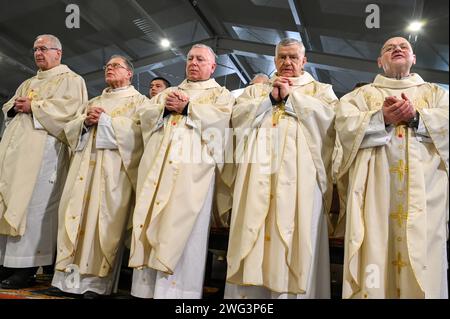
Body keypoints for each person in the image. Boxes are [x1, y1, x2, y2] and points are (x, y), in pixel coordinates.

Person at [336, 37, 449, 299]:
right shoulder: (362, 96)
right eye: (389, 48)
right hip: (375, 195)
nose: (397, 49)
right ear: (380, 61)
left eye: (404, 48)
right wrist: (381, 118)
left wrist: (418, 117)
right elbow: (343, 127)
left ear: (414, 59)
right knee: (376, 253)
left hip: (426, 195)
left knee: (425, 258)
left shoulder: (435, 93)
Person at [225, 38, 338, 298]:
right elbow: (238, 117)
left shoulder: (321, 90)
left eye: (293, 57)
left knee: (296, 234)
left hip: (301, 180)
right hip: (256, 176)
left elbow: (333, 123)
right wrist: (268, 100)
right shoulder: (255, 91)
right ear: (274, 60)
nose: (287, 62)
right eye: (282, 57)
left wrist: (292, 99)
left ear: (304, 61)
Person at [129, 44, 234, 299]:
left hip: (192, 175)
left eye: (200, 59)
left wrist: (188, 109)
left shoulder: (221, 94)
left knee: (184, 228)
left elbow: (225, 123)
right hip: (159, 169)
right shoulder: (170, 92)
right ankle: (144, 291)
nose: (193, 63)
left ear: (213, 66)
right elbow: (142, 115)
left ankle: (179, 294)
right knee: (151, 219)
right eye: (190, 58)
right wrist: (164, 108)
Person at [51, 55, 148, 298]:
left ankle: (95, 285)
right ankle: (67, 282)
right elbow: (69, 131)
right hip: (83, 169)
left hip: (113, 173)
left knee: (102, 223)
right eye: (107, 66)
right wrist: (85, 122)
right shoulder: (94, 101)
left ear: (129, 73)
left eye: (116, 66)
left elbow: (139, 136)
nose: (109, 69)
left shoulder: (141, 102)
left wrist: (106, 122)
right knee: (73, 218)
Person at [0, 34, 88, 289]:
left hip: (45, 155)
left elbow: (73, 112)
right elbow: (9, 106)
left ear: (58, 53)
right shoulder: (27, 82)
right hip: (16, 154)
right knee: (9, 203)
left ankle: (26, 267)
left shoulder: (72, 80)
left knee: (33, 208)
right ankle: (6, 263)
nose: (38, 53)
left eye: (44, 49)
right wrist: (16, 106)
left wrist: (35, 106)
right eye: (35, 49)